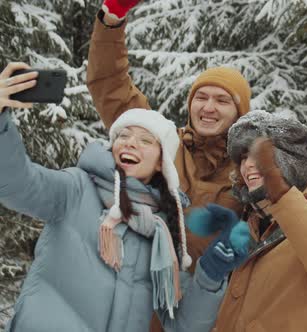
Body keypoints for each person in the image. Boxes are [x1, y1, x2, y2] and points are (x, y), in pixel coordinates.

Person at [0, 62, 249, 332]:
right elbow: (17, 184)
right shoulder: (76, 189)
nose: (130, 143)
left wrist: (209, 277)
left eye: (145, 141)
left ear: (161, 163)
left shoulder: (162, 233)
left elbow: (186, 324)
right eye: (124, 135)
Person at [86, 1, 252, 329]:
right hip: (130, 307)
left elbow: (289, 198)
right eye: (201, 98)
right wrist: (112, 20)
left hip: (198, 314)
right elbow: (112, 87)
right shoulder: (160, 144)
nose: (208, 107)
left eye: (222, 101)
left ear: (240, 112)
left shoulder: (248, 170)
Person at [185, 110, 307, 331]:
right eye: (243, 157)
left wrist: (282, 195)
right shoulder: (248, 224)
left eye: (259, 155)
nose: (248, 165)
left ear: (289, 161)